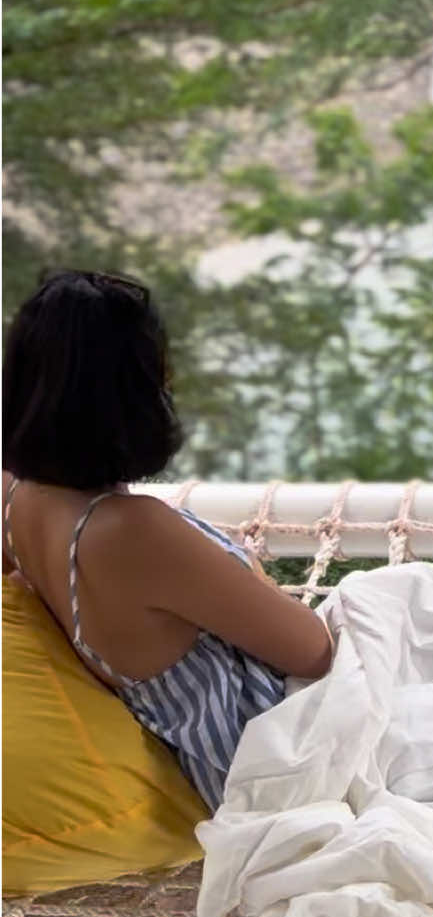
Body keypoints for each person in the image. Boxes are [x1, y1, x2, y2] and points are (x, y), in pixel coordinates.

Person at [1, 270, 332, 813]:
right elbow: (313, 651)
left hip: (202, 742)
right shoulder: (129, 532)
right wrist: (245, 565)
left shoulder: (14, 497)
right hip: (269, 756)